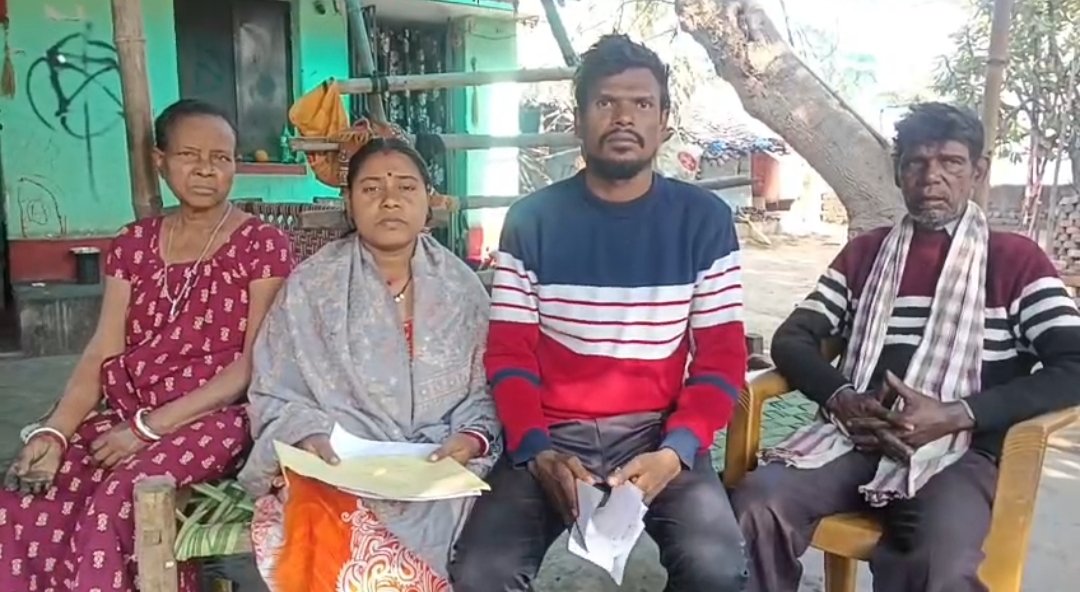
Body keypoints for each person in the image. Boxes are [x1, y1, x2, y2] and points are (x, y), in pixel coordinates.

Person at [732, 103, 1080, 592]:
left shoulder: (1015, 261)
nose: (931, 177)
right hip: (855, 437)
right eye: (916, 162)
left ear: (978, 171)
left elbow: (1074, 363)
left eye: (950, 162)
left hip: (958, 452)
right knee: (756, 504)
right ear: (899, 174)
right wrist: (842, 399)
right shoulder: (865, 254)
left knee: (939, 560)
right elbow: (793, 337)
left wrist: (958, 414)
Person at [450, 34, 749, 592]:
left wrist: (677, 451)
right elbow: (510, 354)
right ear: (578, 120)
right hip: (550, 432)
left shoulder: (704, 221)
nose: (623, 117)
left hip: (658, 430)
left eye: (642, 103)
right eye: (605, 102)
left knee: (717, 572)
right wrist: (536, 449)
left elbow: (721, 360)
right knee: (481, 573)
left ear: (664, 122)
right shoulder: (532, 220)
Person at [0, 98, 294, 592]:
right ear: (161, 161)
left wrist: (148, 428)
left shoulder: (262, 244)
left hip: (218, 416)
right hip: (128, 408)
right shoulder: (132, 243)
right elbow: (102, 351)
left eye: (220, 158)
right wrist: (53, 433)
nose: (205, 169)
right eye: (189, 155)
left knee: (118, 500)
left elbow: (251, 365)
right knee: (25, 499)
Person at [238, 137, 501, 592]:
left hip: (437, 462)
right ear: (349, 201)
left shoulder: (462, 289)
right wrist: (309, 435)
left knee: (474, 528)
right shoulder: (312, 285)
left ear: (429, 200)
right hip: (339, 463)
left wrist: (471, 439)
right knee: (322, 518)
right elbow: (274, 390)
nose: (390, 200)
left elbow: (487, 389)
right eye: (372, 188)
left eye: (406, 187)